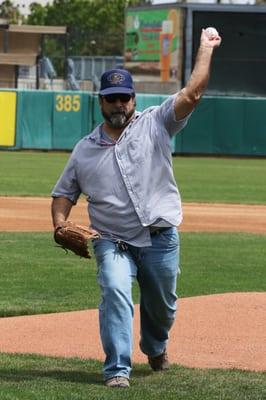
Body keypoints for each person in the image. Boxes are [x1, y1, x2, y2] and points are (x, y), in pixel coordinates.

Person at [51, 28, 221, 388]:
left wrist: (205, 49)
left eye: (124, 97)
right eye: (111, 98)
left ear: (133, 97)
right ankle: (117, 369)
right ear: (100, 101)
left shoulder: (157, 123)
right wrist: (59, 223)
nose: (118, 105)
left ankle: (155, 346)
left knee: (161, 309)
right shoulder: (84, 149)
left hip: (160, 239)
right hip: (112, 241)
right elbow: (64, 193)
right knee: (114, 291)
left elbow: (193, 93)